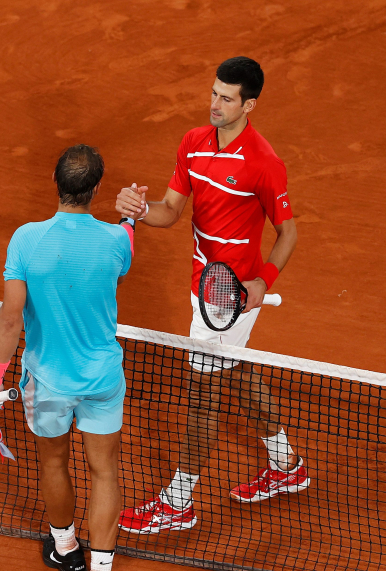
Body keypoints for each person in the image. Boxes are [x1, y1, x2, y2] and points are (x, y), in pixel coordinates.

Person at [114, 56, 308, 535]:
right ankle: (287, 465)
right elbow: (171, 212)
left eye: (226, 98)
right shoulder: (193, 144)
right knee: (235, 371)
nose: (214, 104)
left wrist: (262, 281)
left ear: (249, 105)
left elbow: (288, 233)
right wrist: (137, 210)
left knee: (202, 395)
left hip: (231, 296)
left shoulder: (263, 162)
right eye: (214, 93)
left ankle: (179, 501)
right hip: (203, 283)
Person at [0, 144, 136, 571]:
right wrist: (132, 217)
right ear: (95, 190)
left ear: (57, 184)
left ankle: (66, 549)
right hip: (102, 378)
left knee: (53, 463)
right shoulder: (115, 241)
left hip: (46, 381)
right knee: (103, 470)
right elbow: (124, 249)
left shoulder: (26, 240)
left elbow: (10, 320)